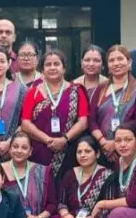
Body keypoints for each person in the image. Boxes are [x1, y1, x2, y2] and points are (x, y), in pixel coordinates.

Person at [21, 50, 89, 184]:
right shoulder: (33, 92)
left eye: (56, 64)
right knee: (42, 185)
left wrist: (64, 139)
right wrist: (48, 140)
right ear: (42, 70)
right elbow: (25, 123)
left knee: (66, 185)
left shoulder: (76, 90)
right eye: (48, 64)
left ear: (64, 68)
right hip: (40, 150)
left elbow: (83, 122)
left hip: (68, 150)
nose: (52, 67)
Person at [2, 132, 56, 218]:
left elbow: (52, 204)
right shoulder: (0, 170)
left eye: (24, 147)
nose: (19, 151)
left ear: (30, 151)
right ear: (9, 149)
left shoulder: (42, 171)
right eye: (15, 146)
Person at [89, 45, 136, 166]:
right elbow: (91, 120)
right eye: (112, 60)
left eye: (120, 59)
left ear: (129, 63)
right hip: (102, 149)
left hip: (128, 149)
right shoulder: (100, 89)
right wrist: (103, 142)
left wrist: (116, 143)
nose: (116, 63)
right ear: (107, 65)